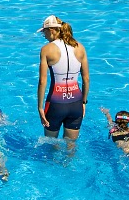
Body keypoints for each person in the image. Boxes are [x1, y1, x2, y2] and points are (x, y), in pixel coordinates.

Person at [37, 16, 90, 144]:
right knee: (71, 147)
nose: (44, 35)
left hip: (55, 104)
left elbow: (42, 81)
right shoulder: (80, 47)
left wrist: (40, 108)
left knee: (51, 145)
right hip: (76, 102)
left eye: (44, 31)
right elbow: (86, 79)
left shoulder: (46, 49)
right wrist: (83, 102)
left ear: (51, 30)